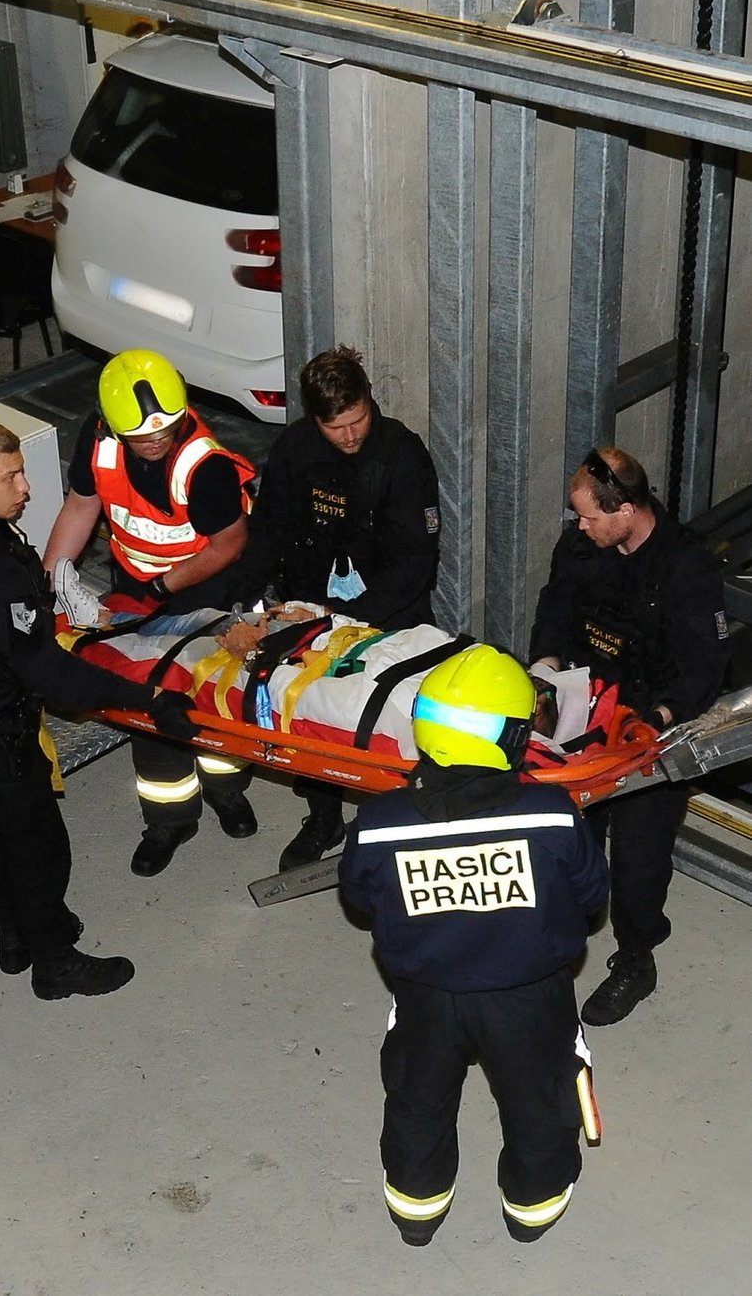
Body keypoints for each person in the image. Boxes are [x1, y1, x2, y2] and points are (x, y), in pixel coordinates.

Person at [0, 415, 197, 1001]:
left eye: (22, 472)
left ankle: (15, 939)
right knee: (38, 845)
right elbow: (50, 673)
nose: (26, 488)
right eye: (9, 478)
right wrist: (148, 697)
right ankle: (54, 963)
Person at [338, 645, 608, 1247]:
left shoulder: (380, 821)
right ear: (511, 738)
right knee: (541, 1104)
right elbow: (592, 897)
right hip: (531, 1001)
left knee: (417, 1101)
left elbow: (358, 895)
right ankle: (531, 1212)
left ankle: (417, 1212)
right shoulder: (553, 814)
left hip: (425, 999)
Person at [529, 446, 730, 1025]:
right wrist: (545, 671)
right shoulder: (581, 546)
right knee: (568, 836)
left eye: (590, 516)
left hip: (651, 729)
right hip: (581, 711)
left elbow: (704, 667)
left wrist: (656, 720)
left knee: (639, 859)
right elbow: (555, 607)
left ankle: (637, 958)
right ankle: (560, 933)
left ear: (628, 509)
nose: (580, 526)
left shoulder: (685, 565)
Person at [42, 349, 258, 878]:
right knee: (149, 700)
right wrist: (46, 582)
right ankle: (169, 820)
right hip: (135, 589)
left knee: (211, 693)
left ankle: (228, 790)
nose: (158, 442)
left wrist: (159, 586)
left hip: (203, 590)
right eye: (144, 437)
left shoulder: (202, 465)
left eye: (168, 429)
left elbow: (228, 544)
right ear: (114, 429)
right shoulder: (99, 441)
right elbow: (80, 506)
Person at [235, 345, 440, 871]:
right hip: (312, 606)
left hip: (392, 614)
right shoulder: (294, 450)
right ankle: (323, 816)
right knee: (310, 713)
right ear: (314, 419)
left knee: (394, 726)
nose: (350, 436)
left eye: (358, 420)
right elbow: (269, 532)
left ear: (370, 401)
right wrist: (243, 602)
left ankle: (392, 824)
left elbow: (416, 558)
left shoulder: (401, 453)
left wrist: (350, 621)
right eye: (336, 427)